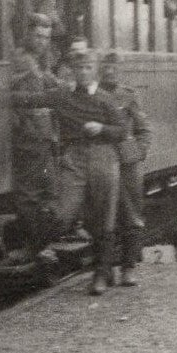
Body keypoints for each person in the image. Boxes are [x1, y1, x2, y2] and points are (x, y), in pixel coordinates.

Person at [51, 46, 127, 294]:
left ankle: (101, 274)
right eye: (78, 68)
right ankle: (101, 268)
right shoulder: (63, 96)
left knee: (104, 217)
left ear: (95, 71)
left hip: (103, 156)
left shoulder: (106, 99)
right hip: (74, 159)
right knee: (64, 213)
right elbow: (30, 100)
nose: (83, 73)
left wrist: (102, 128)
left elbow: (122, 131)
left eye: (87, 68)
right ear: (72, 71)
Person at [8, 12, 63, 258]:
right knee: (31, 193)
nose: (43, 41)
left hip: (40, 136)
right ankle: (36, 246)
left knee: (46, 189)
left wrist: (70, 89)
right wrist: (47, 98)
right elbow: (11, 96)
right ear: (27, 34)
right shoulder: (22, 60)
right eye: (38, 36)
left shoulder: (37, 61)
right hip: (27, 136)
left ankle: (43, 242)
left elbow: (51, 82)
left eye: (46, 37)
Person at [99, 49, 152, 285]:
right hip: (101, 160)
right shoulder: (92, 95)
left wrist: (138, 152)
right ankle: (106, 267)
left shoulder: (128, 96)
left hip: (127, 162)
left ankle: (129, 266)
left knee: (131, 212)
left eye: (114, 68)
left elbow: (143, 129)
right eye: (106, 67)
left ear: (120, 71)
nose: (110, 72)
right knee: (102, 215)